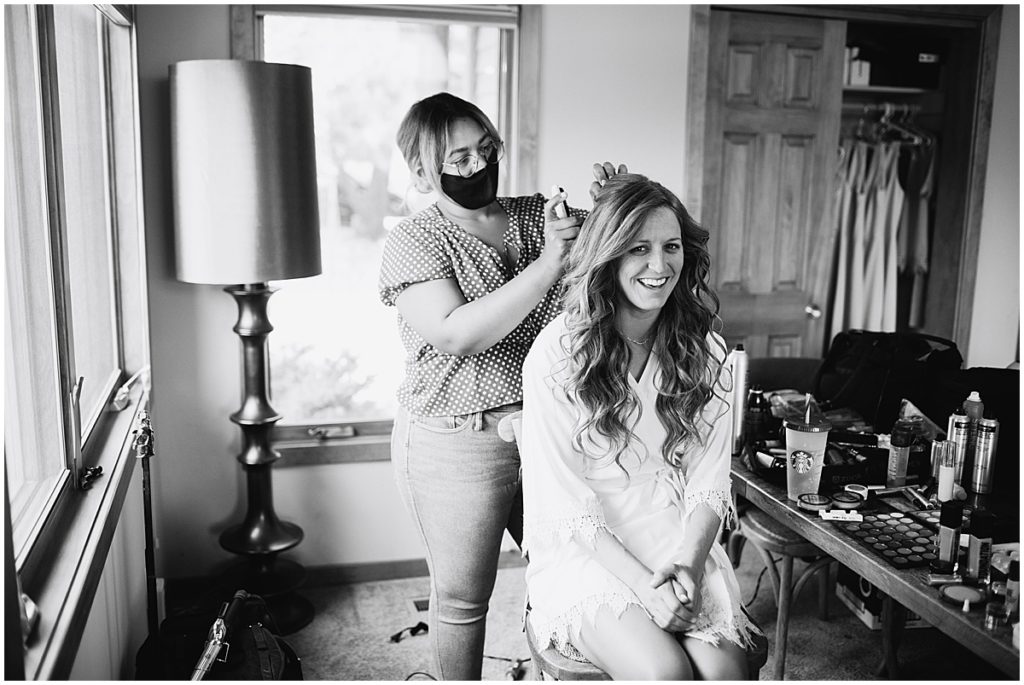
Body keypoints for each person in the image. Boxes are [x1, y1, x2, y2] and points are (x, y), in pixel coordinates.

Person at [378, 91, 623, 680]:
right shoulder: (414, 239)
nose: (477, 167)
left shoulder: (540, 215)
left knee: (570, 568)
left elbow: (621, 270)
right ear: (419, 170)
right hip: (456, 440)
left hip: (547, 429)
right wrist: (547, 265)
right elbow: (456, 333)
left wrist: (614, 209)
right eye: (456, 158)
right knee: (464, 598)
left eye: (486, 150)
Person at [519, 174, 761, 680]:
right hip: (587, 547)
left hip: (674, 537)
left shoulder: (706, 350)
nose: (659, 266)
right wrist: (646, 587)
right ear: (608, 258)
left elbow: (709, 477)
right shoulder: (556, 353)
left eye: (671, 246)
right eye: (638, 249)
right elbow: (561, 501)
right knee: (665, 673)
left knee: (725, 675)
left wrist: (691, 563)